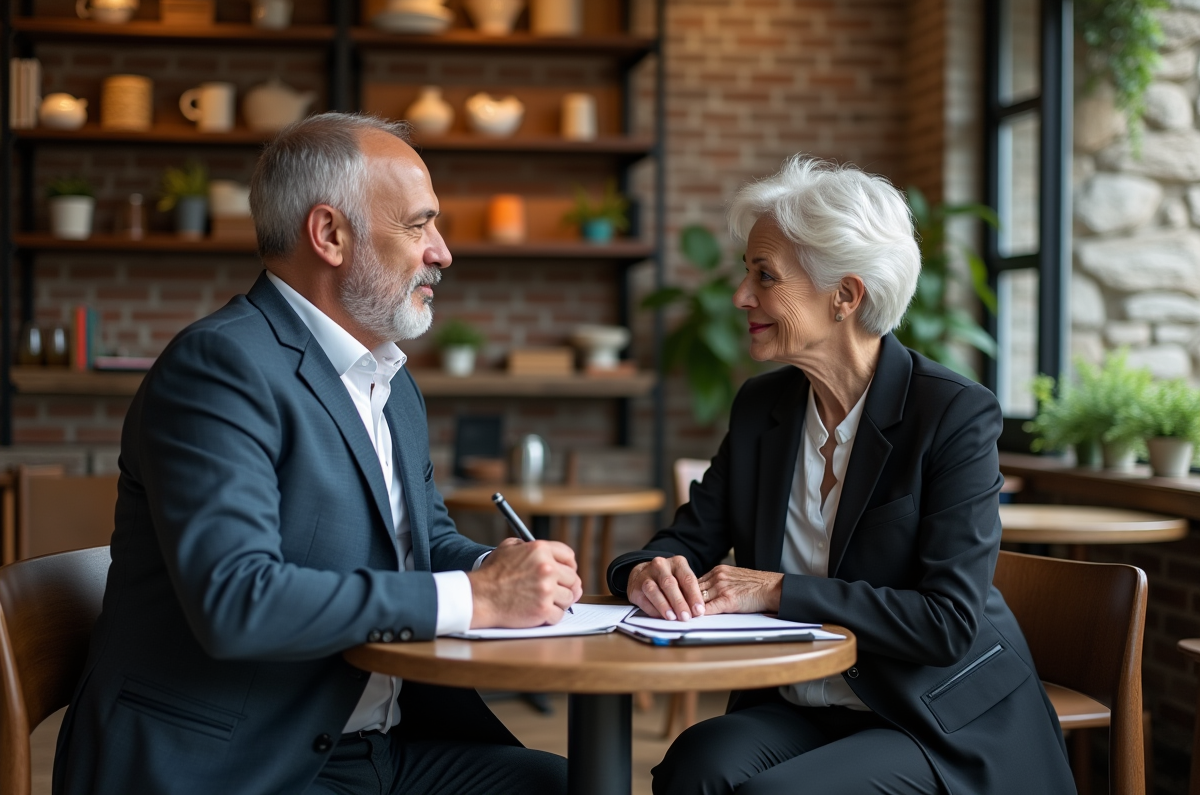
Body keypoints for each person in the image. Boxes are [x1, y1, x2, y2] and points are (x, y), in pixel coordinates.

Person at [53, 113, 580, 795]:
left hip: (383, 744)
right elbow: (236, 598)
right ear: (330, 234)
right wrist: (475, 598)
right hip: (239, 762)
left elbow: (423, 538)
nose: (442, 252)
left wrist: (494, 565)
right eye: (420, 225)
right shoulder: (219, 367)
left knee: (568, 784)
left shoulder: (390, 383)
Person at [606, 156, 1075, 795]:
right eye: (747, 272)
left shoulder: (953, 413)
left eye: (764, 276)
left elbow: (946, 623)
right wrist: (640, 571)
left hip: (933, 719)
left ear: (845, 295)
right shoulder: (762, 408)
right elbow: (687, 540)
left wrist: (776, 590)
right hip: (804, 706)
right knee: (696, 764)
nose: (742, 296)